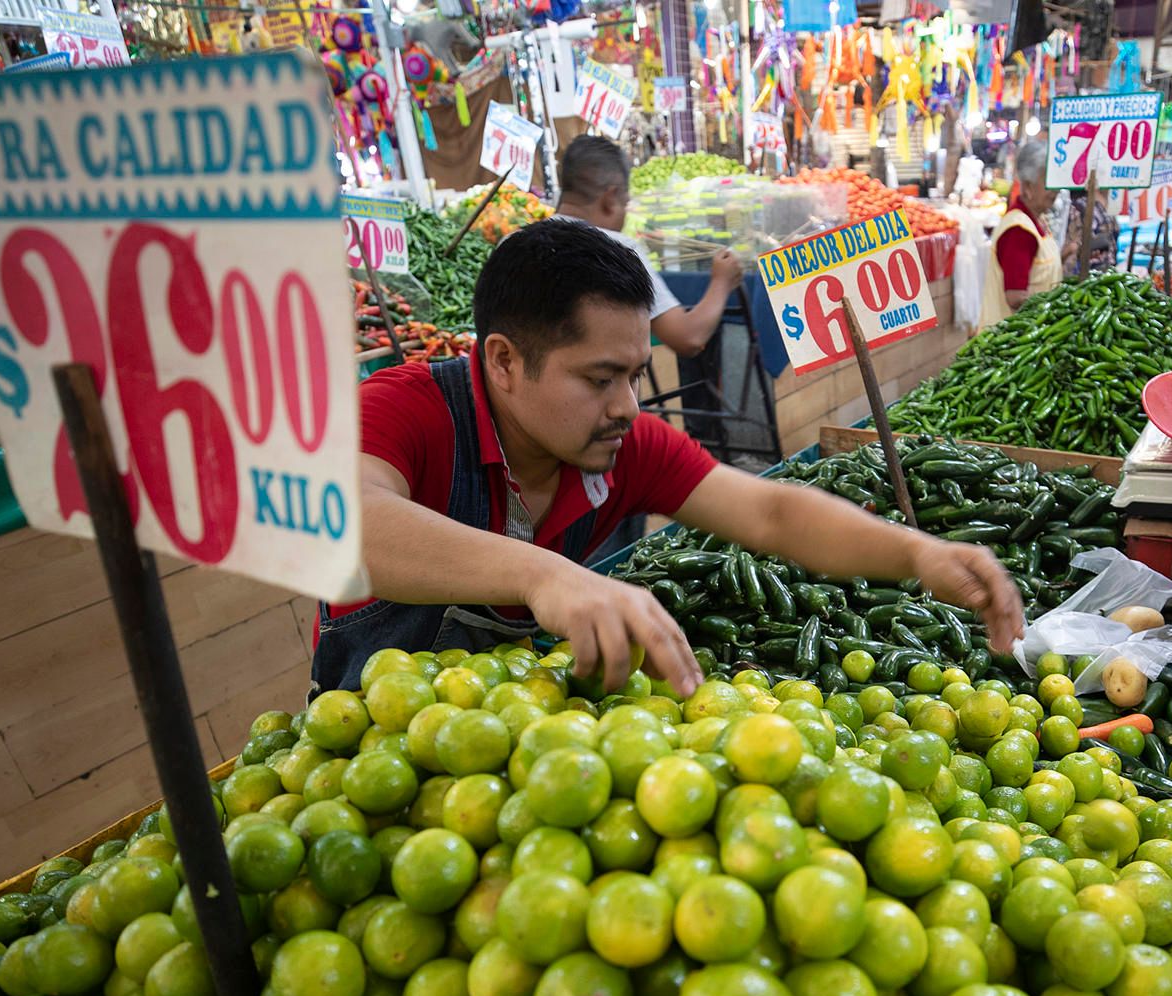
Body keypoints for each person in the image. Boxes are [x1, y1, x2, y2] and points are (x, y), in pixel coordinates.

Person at [318, 219, 1023, 694]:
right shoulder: (406, 410)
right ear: (503, 361)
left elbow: (771, 512)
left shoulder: (619, 443)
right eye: (600, 379)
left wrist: (916, 555)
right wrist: (543, 575)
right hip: (360, 767)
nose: (629, 405)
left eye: (634, 374)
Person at [551, 135, 742, 358]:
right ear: (610, 199)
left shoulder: (516, 243)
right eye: (625, 204)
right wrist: (721, 281)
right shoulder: (618, 249)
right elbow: (689, 337)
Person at [982, 140, 1062, 329]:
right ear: (1027, 187)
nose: (1056, 190)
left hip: (1030, 336)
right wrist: (1059, 307)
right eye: (1048, 182)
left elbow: (1037, 267)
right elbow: (1015, 297)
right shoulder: (1018, 230)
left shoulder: (1036, 221)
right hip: (1010, 343)